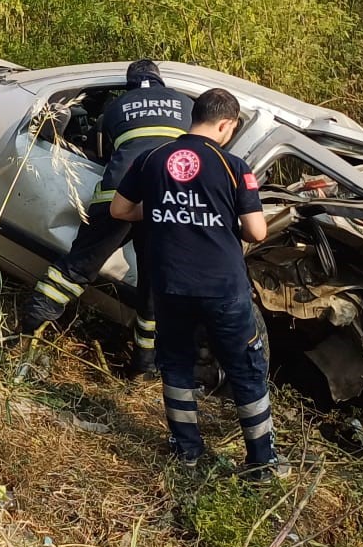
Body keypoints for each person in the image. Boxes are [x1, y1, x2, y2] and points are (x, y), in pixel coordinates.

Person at [110, 87, 283, 478]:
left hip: (170, 285)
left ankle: (186, 452)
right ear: (226, 125)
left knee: (176, 366)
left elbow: (120, 209)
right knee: (246, 368)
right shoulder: (234, 166)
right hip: (223, 287)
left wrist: (161, 211)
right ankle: (262, 462)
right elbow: (256, 232)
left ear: (195, 117)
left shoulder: (151, 158)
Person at [20, 60, 191, 371]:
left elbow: (101, 151)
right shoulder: (185, 104)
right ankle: (144, 365)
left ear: (129, 84)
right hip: (166, 202)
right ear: (160, 81)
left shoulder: (117, 106)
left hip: (119, 195)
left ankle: (32, 323)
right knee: (153, 285)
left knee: (77, 267)